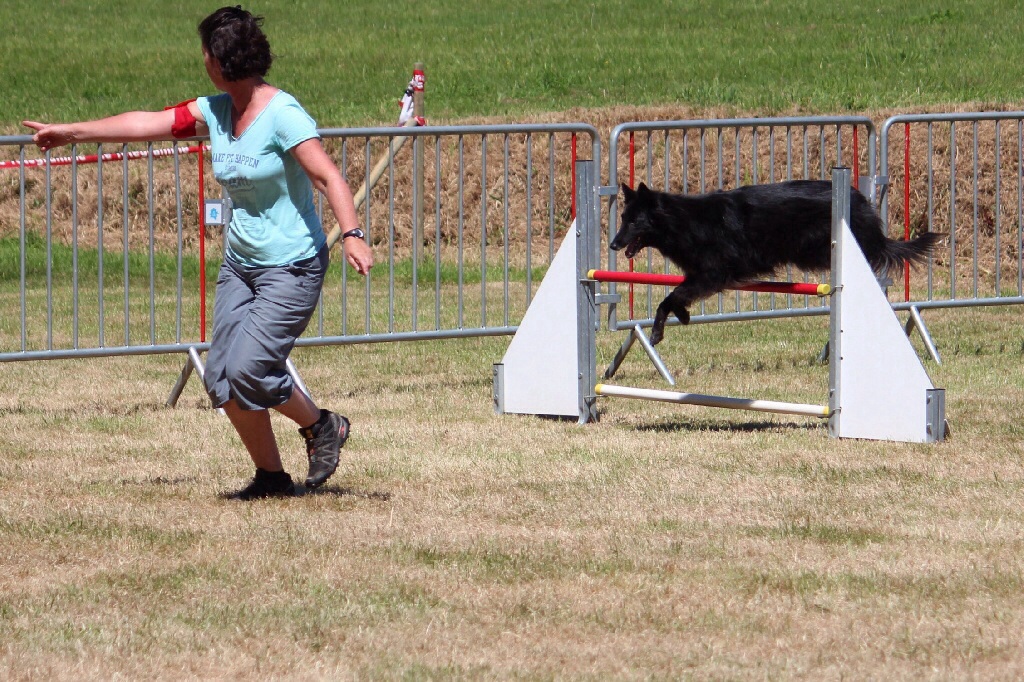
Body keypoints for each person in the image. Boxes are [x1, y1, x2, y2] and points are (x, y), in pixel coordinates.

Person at [23, 6, 374, 500]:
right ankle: (271, 479)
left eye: (205, 52)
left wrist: (352, 232)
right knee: (222, 380)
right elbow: (148, 123)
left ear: (218, 60)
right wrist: (72, 132)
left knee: (250, 370)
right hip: (242, 265)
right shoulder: (215, 111)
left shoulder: (282, 113)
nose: (202, 60)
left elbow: (327, 175)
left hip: (292, 265)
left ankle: (322, 426)